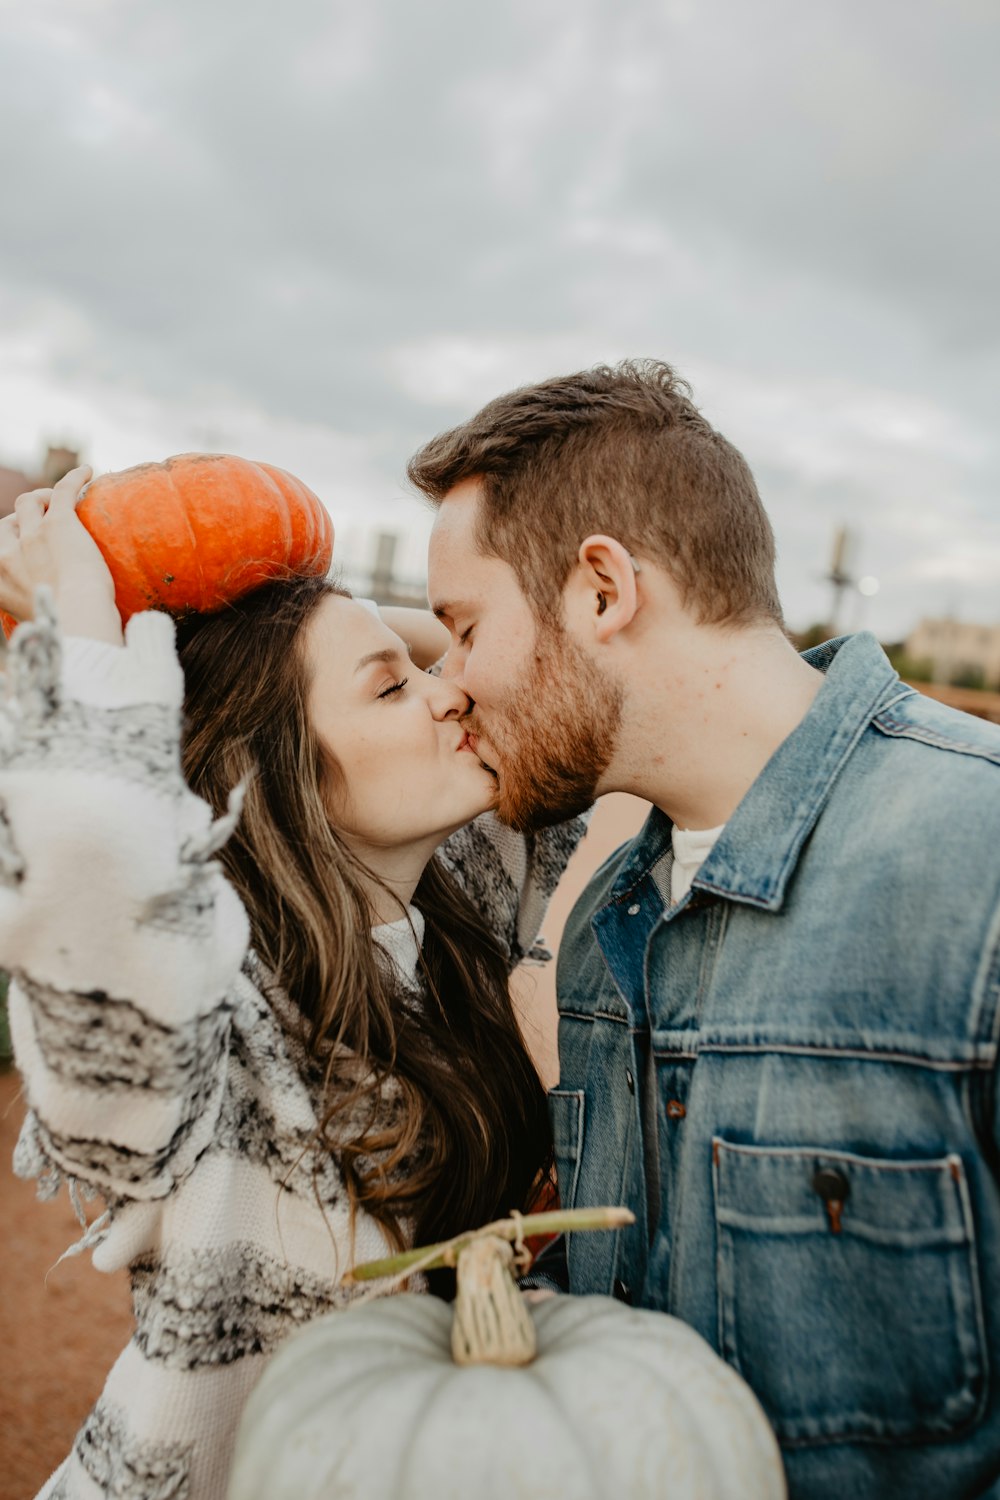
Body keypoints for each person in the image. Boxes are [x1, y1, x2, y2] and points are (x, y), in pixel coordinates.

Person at [409, 359, 1000, 1500]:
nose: (449, 683)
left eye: (462, 627)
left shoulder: (975, 859)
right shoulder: (596, 928)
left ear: (600, 590)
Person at [0, 466, 586, 1500]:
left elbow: (581, 673)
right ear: (267, 774)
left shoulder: (479, 899)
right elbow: (98, 855)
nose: (446, 688)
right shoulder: (209, 1031)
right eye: (391, 684)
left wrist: (300, 592)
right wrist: (88, 617)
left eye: (421, 663)